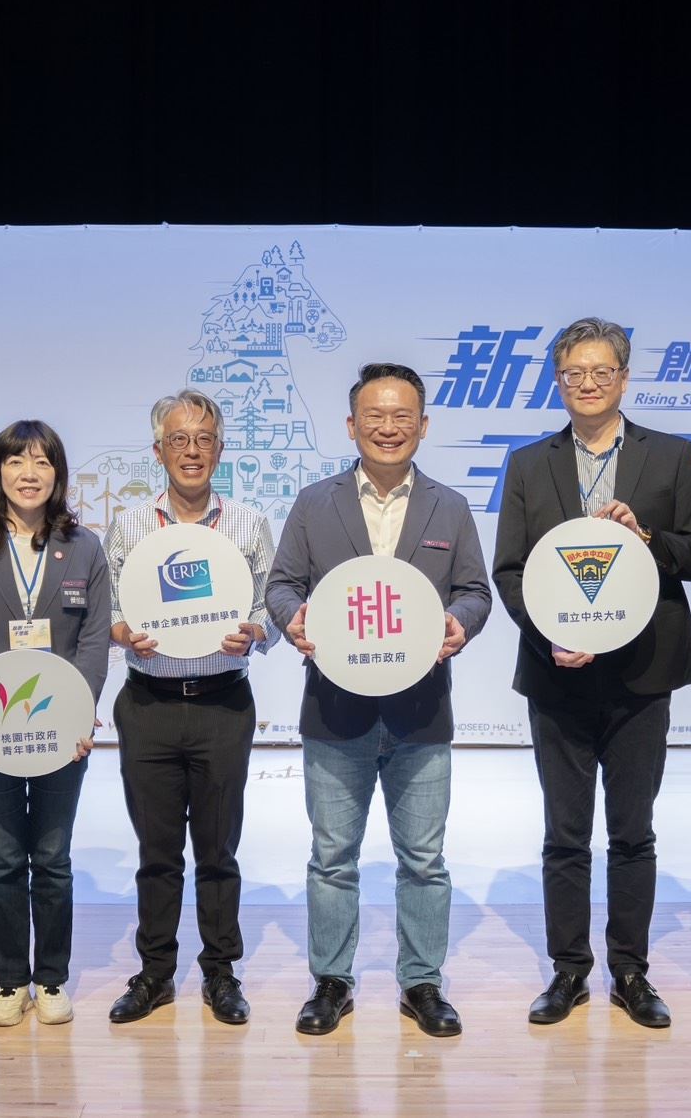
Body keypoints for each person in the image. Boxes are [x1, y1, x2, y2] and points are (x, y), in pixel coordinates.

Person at [493, 317, 691, 1030]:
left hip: (641, 677)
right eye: (573, 374)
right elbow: (509, 570)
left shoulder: (671, 455)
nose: (586, 384)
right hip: (558, 677)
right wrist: (548, 635)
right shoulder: (528, 464)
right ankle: (568, 971)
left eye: (600, 372)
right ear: (557, 381)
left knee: (632, 832)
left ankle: (630, 971)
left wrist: (646, 538)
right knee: (564, 835)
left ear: (623, 377)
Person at [266, 362, 491, 1038]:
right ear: (351, 425)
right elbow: (282, 584)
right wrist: (292, 618)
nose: (388, 427)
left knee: (423, 860)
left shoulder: (449, 506)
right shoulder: (315, 503)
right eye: (375, 416)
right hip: (336, 710)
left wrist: (461, 622)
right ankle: (331, 982)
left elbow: (475, 592)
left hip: (422, 711)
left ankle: (421, 983)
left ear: (422, 426)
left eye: (401, 417)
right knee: (332, 858)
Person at [103, 388, 277, 1026]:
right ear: (158, 451)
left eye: (204, 439)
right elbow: (110, 609)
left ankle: (221, 972)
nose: (192, 451)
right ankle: (154, 972)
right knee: (156, 851)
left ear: (220, 449)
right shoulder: (129, 526)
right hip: (147, 703)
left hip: (222, 704)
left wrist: (256, 631)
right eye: (179, 439)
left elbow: (267, 609)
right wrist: (122, 631)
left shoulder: (249, 524)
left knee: (218, 850)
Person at [0, 420, 110, 1027]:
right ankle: (11, 981)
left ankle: (52, 979)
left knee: (54, 859)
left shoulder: (83, 547)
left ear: (57, 475)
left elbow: (93, 641)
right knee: (6, 859)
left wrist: (80, 712)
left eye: (41, 462)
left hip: (63, 731)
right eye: (16, 462)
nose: (29, 474)